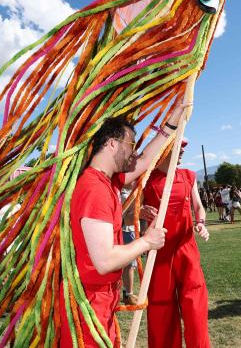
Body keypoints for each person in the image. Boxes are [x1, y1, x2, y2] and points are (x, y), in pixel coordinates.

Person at [59, 103, 189, 347]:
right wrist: (147, 242)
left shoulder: (108, 182)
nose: (133, 152)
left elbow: (146, 160)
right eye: (131, 145)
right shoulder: (94, 189)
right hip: (89, 302)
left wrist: (171, 123)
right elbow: (105, 259)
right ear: (111, 144)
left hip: (100, 298)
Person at [143, 138, 210, 348]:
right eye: (177, 149)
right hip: (158, 253)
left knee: (195, 306)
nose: (182, 153)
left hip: (186, 249)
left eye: (182, 149)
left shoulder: (188, 176)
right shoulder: (145, 179)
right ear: (164, 149)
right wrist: (138, 211)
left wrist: (201, 223)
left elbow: (199, 206)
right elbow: (127, 214)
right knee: (161, 310)